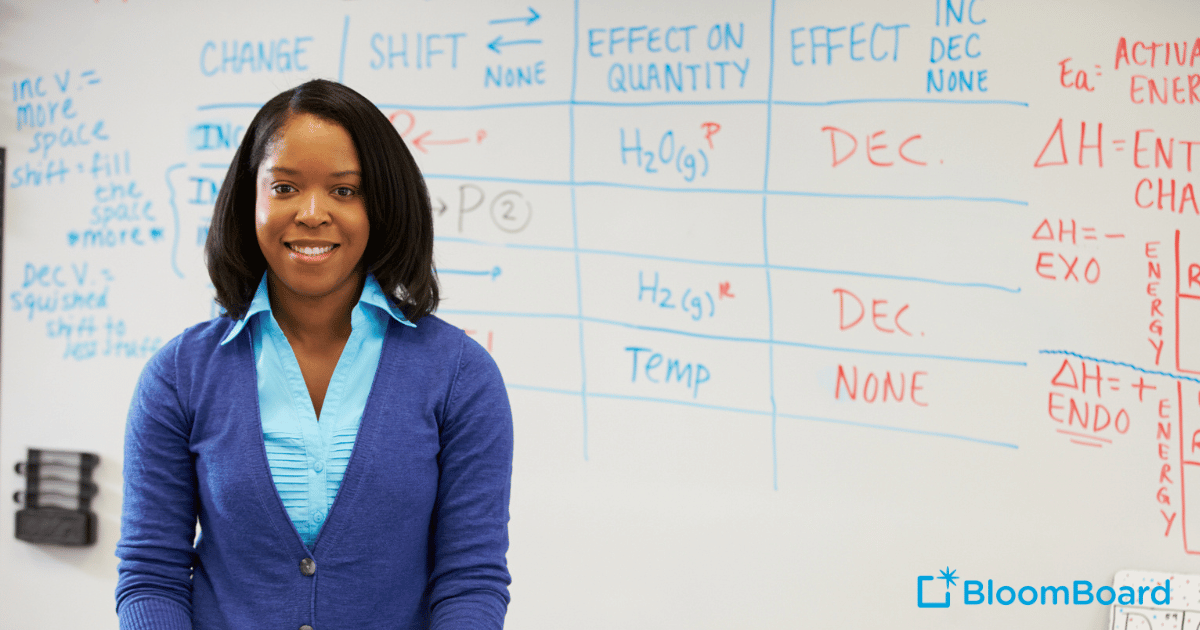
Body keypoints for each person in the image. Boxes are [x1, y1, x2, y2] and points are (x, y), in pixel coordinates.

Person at [115, 79, 513, 630]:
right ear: (249, 199)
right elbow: (150, 576)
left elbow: (471, 581)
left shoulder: (460, 375)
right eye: (283, 188)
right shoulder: (179, 376)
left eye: (345, 191)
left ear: (383, 205)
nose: (311, 213)